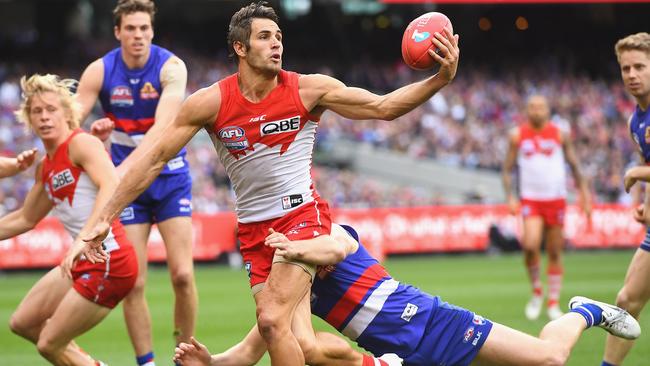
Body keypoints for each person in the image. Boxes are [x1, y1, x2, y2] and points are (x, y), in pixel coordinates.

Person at [81, 2, 460, 365]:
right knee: (303, 345)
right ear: (240, 47)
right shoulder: (208, 103)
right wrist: (105, 216)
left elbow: (384, 107)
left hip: (301, 218)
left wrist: (440, 79)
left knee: (271, 321)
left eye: (278, 35)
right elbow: (153, 160)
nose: (276, 43)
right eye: (264, 36)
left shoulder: (309, 89)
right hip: (253, 232)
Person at [173, 223, 641, 366]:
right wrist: (211, 363)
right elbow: (258, 344)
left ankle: (583, 311)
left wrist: (295, 246)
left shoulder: (326, 233)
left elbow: (337, 245)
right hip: (394, 354)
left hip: (433, 323)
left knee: (549, 360)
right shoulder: (286, 284)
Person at [75, 1, 196, 364]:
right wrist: (92, 137)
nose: (138, 35)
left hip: (168, 177)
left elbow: (163, 127)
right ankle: (147, 362)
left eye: (144, 28)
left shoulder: (172, 67)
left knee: (184, 276)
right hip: (128, 190)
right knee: (135, 282)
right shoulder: (99, 70)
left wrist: (120, 170)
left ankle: (185, 355)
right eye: (130, 29)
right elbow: (71, 118)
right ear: (117, 32)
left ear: (152, 31)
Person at [3, 74, 138, 365]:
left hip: (109, 259)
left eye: (51, 109)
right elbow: (25, 218)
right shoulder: (46, 165)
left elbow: (111, 185)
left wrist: (82, 240)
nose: (44, 117)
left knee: (49, 343)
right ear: (28, 118)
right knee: (22, 323)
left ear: (67, 113)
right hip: (82, 259)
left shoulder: (82, 144)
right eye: (36, 111)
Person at [502, 95, 592, 321]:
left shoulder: (560, 133)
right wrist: (510, 197)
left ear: (548, 109)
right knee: (531, 245)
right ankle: (536, 291)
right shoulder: (517, 135)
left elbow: (574, 164)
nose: (536, 110)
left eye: (540, 106)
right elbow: (507, 169)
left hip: (556, 199)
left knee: (554, 251)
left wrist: (584, 194)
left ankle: (553, 302)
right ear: (526, 110)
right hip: (531, 199)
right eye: (532, 106)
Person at [603, 32, 650, 366]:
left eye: (639, 67)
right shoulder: (637, 119)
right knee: (627, 300)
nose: (631, 74)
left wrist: (637, 174)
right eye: (625, 68)